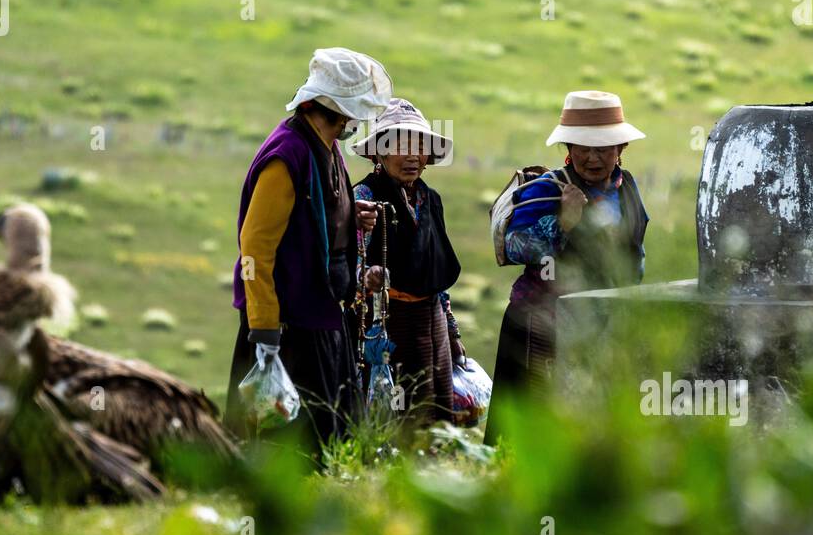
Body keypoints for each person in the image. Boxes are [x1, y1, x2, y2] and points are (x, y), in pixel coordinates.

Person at [225, 47, 391, 461]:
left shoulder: (326, 147)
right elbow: (255, 247)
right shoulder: (287, 156)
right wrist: (264, 331)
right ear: (336, 109)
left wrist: (353, 215)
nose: (354, 122)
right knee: (286, 450)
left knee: (327, 442)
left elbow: (318, 216)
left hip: (320, 316)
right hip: (287, 326)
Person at [484, 90, 650, 445]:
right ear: (568, 149)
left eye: (604, 148)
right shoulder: (547, 190)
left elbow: (635, 249)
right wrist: (564, 222)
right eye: (583, 148)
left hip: (604, 321)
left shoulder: (628, 188)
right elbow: (514, 247)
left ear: (621, 149)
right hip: (542, 322)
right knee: (535, 419)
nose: (593, 158)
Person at [351, 98, 463, 425]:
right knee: (397, 416)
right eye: (400, 145)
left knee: (439, 416)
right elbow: (350, 260)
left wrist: (453, 332)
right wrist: (366, 276)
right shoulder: (365, 198)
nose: (412, 155)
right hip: (388, 322)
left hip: (433, 323)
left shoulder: (430, 199)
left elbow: (436, 274)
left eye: (419, 146)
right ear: (378, 154)